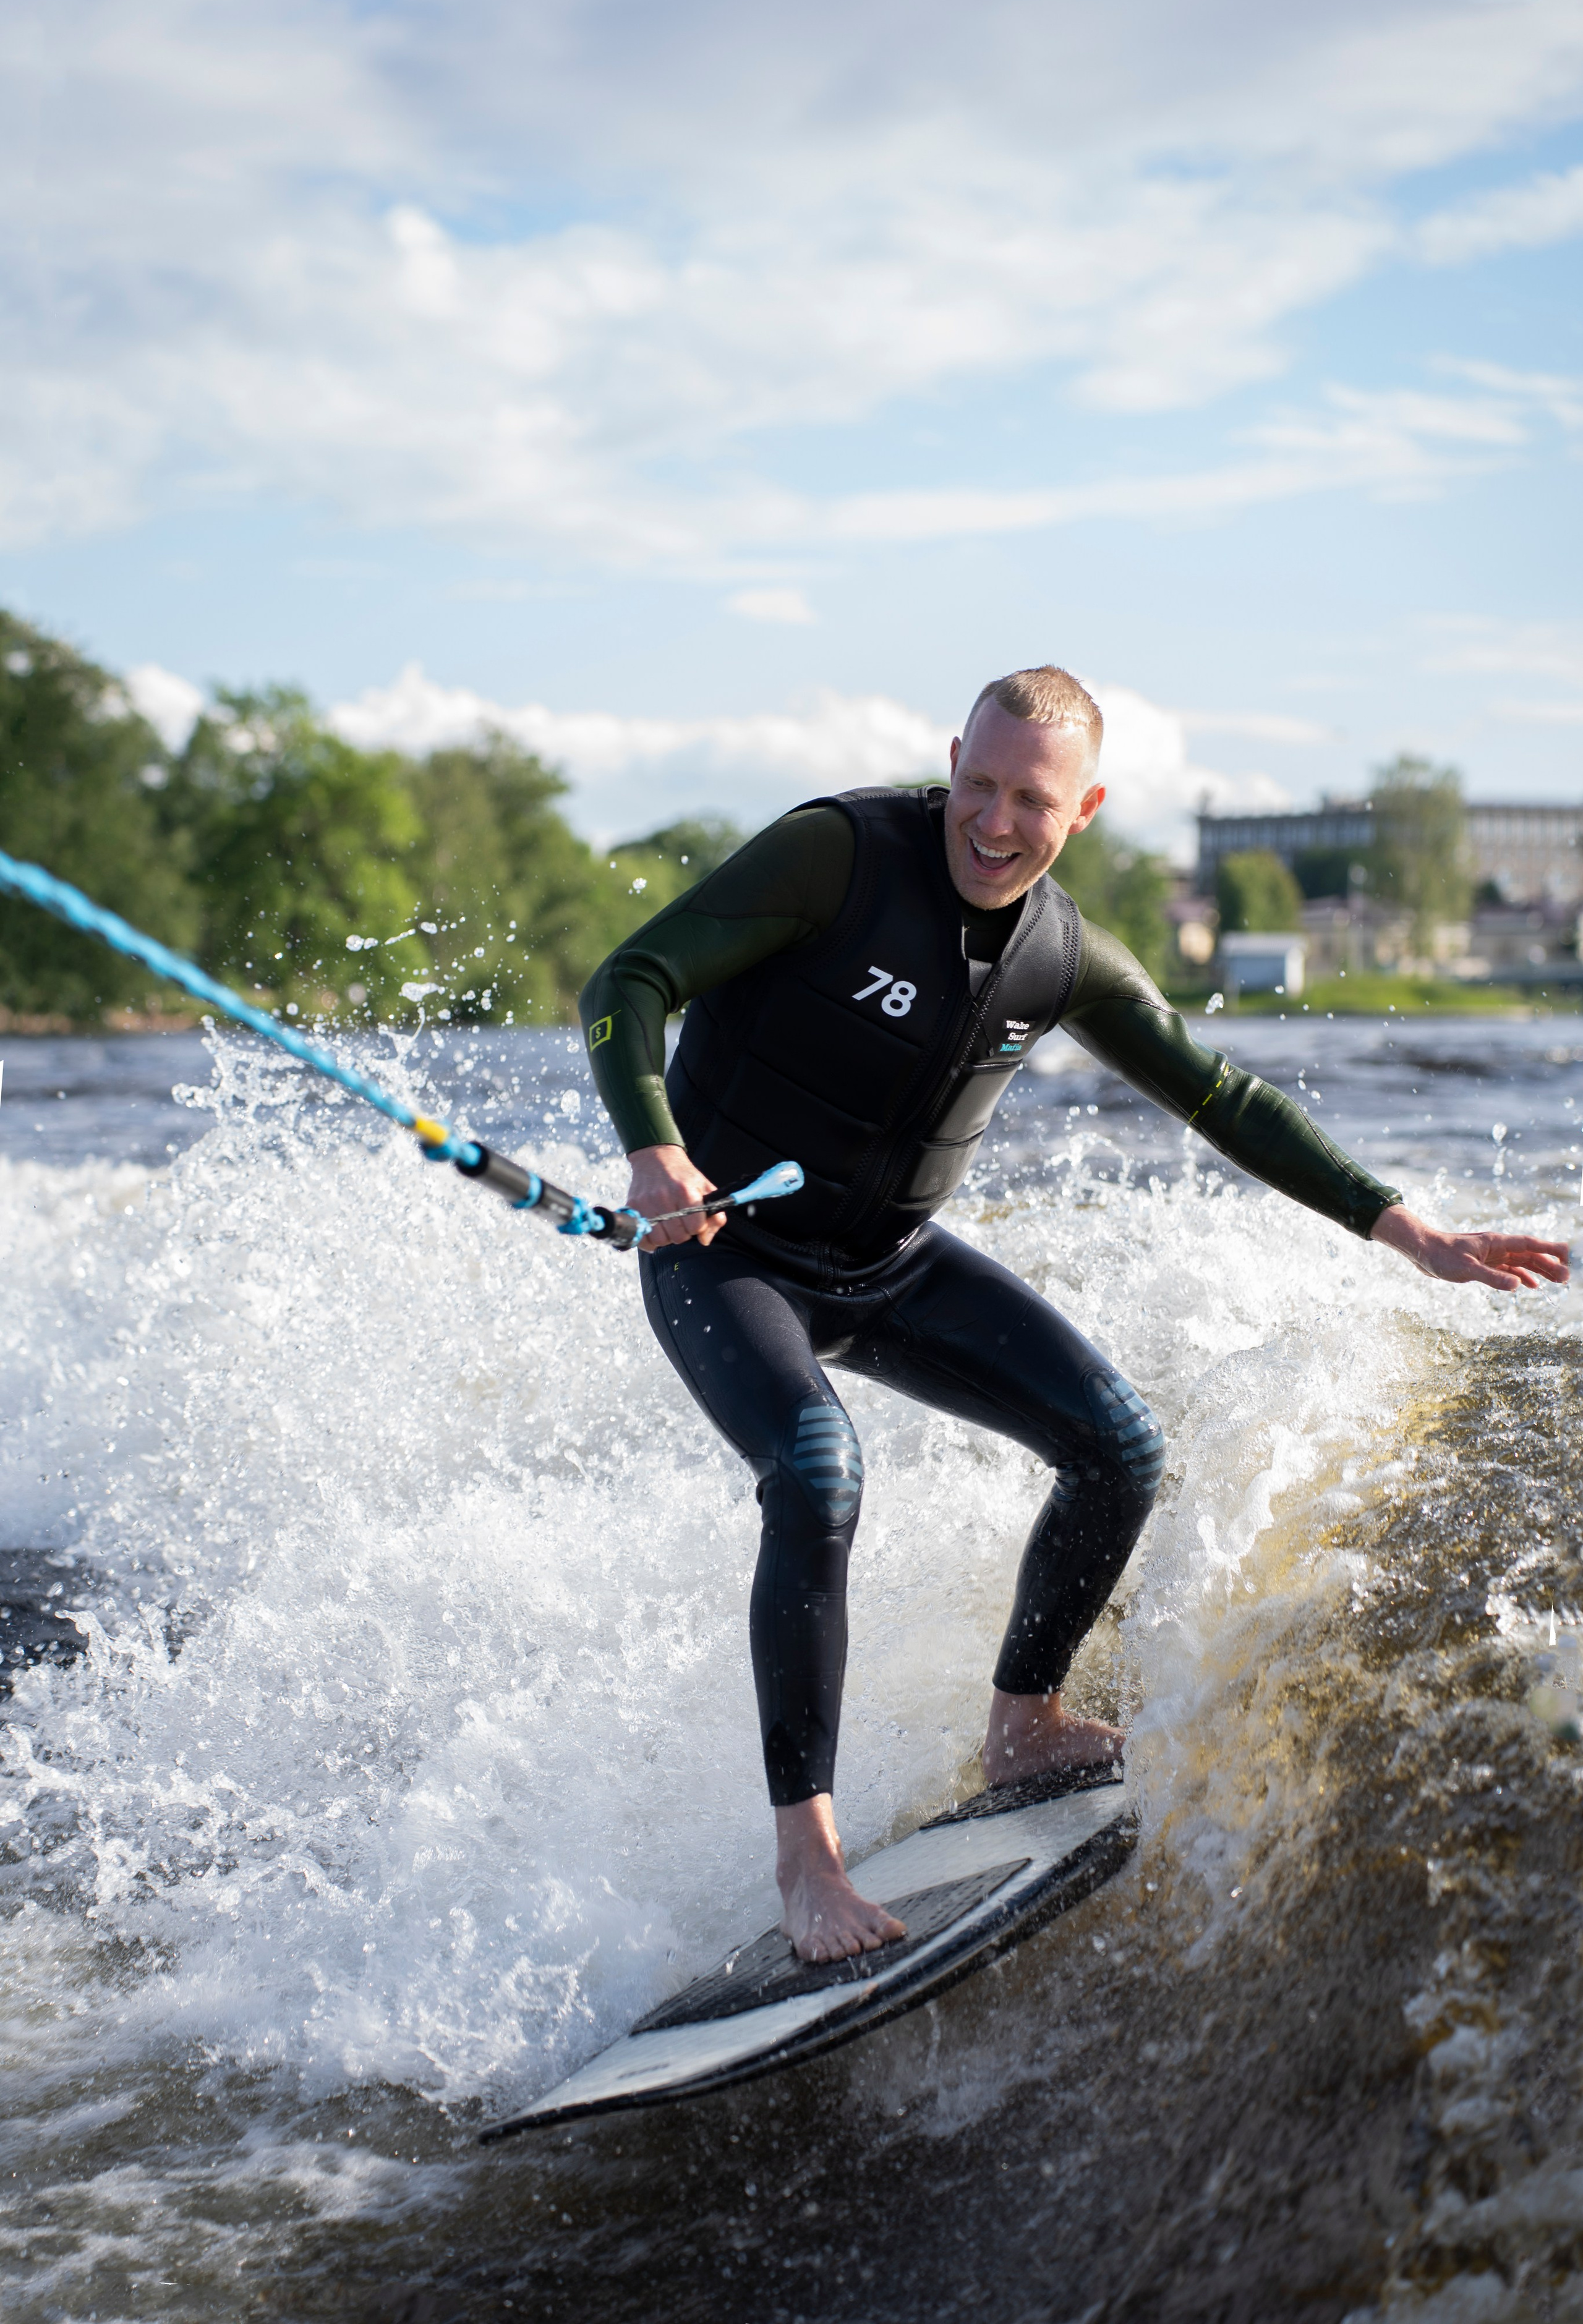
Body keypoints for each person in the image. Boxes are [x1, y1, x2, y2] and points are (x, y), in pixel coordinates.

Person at [579, 666, 1570, 1964]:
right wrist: (655, 1151)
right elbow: (631, 979)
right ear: (950, 760)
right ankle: (805, 1860)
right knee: (817, 1473)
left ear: (1083, 809)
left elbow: (1221, 1098)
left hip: (885, 1260)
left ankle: (1023, 1724)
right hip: (720, 1252)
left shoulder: (1062, 956)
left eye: (1028, 801)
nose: (992, 823)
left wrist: (1406, 1228)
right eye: (975, 786)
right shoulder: (837, 857)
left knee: (1119, 1444)